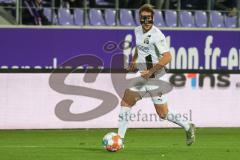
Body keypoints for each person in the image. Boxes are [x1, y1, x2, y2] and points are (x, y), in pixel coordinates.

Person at [117, 4, 196, 146]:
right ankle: (120, 140)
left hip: (156, 77)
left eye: (149, 19)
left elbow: (167, 57)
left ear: (153, 18)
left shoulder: (157, 35)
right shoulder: (137, 31)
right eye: (143, 19)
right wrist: (134, 60)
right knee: (126, 102)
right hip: (143, 76)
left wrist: (151, 71)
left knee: (163, 114)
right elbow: (139, 46)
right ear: (139, 19)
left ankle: (187, 125)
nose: (146, 22)